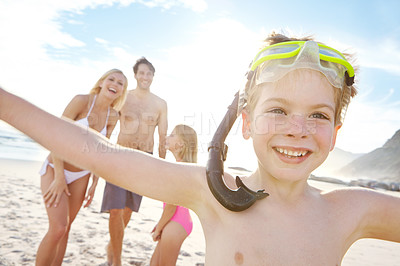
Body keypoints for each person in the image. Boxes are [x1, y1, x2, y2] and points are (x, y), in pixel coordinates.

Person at [1, 32, 400, 265]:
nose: (298, 129)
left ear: (336, 130)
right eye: (278, 109)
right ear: (244, 122)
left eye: (318, 115)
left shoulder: (351, 209)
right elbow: (94, 150)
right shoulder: (212, 193)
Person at [34, 69, 128, 265]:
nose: (115, 84)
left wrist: (94, 182)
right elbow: (55, 135)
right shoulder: (81, 101)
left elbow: (100, 149)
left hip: (82, 175)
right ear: (101, 82)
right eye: (111, 79)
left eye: (121, 83)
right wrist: (59, 177)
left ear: (122, 91)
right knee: (58, 227)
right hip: (55, 167)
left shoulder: (113, 116)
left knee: (66, 229)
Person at [100, 57, 168, 266]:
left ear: (153, 77)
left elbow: (163, 137)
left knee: (128, 210)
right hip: (120, 156)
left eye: (149, 73)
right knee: (115, 210)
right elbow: (108, 126)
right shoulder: (124, 98)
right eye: (141, 73)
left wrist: (162, 167)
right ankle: (117, 260)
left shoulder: (160, 104)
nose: (145, 77)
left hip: (144, 160)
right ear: (135, 75)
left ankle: (112, 246)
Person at [150, 124, 197, 266]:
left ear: (181, 143)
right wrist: (161, 224)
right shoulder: (182, 167)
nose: (167, 137)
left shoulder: (179, 169)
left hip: (176, 223)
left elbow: (171, 207)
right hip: (173, 221)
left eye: (172, 135)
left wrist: (159, 228)